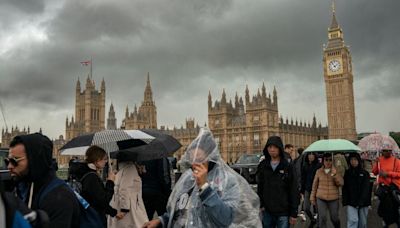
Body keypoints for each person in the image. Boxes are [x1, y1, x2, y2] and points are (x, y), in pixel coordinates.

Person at [142, 128, 261, 228]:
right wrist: (161, 220)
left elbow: (225, 219)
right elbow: (180, 209)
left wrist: (204, 187)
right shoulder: (187, 179)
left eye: (199, 158)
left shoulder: (227, 181)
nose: (195, 163)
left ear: (211, 156)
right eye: (192, 158)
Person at [6, 133, 80, 228]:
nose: (9, 166)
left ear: (35, 160)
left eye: (14, 161)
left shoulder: (59, 198)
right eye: (7, 161)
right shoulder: (23, 187)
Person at [257, 136, 299, 228]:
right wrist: (261, 204)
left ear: (280, 148)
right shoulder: (263, 166)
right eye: (270, 147)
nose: (272, 149)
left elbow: (293, 190)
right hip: (267, 211)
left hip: (283, 212)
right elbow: (260, 187)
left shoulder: (287, 166)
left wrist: (294, 213)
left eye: (275, 147)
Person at [76, 145, 117, 227]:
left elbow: (96, 199)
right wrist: (110, 182)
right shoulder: (92, 177)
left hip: (89, 217)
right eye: (104, 159)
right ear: (97, 160)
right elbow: (104, 200)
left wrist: (113, 212)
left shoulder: (86, 173)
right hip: (93, 220)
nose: (106, 161)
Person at [108, 158, 149, 228]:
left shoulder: (121, 169)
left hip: (121, 204)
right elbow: (124, 189)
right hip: (130, 207)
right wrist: (124, 209)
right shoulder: (130, 168)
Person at [310, 153, 343, 228]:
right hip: (321, 198)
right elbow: (314, 185)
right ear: (323, 161)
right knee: (322, 217)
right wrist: (312, 197)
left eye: (330, 160)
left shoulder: (336, 170)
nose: (328, 162)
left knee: (334, 218)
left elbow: (341, 183)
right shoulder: (319, 171)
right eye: (326, 160)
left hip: (333, 198)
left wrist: (335, 175)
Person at [372, 143, 400, 227]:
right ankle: (386, 223)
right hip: (383, 189)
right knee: (384, 208)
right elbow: (374, 172)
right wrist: (376, 164)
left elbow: (399, 174)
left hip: (393, 188)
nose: (386, 152)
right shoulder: (379, 160)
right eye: (384, 151)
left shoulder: (397, 161)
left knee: (393, 208)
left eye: (388, 151)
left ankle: (394, 222)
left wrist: (387, 174)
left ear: (391, 151)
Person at [342, 153, 371, 228]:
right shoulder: (347, 173)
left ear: (359, 160)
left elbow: (366, 189)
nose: (353, 161)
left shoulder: (365, 173)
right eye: (351, 159)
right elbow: (345, 188)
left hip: (363, 202)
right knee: (353, 221)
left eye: (355, 159)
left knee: (362, 223)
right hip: (351, 202)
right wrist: (345, 200)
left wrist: (360, 201)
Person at [301, 152, 321, 228]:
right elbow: (303, 178)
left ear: (315, 156)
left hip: (316, 189)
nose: (311, 156)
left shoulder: (318, 165)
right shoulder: (305, 165)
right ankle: (312, 219)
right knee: (306, 208)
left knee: (317, 208)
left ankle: (319, 224)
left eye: (312, 155)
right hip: (307, 189)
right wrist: (302, 190)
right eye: (309, 155)